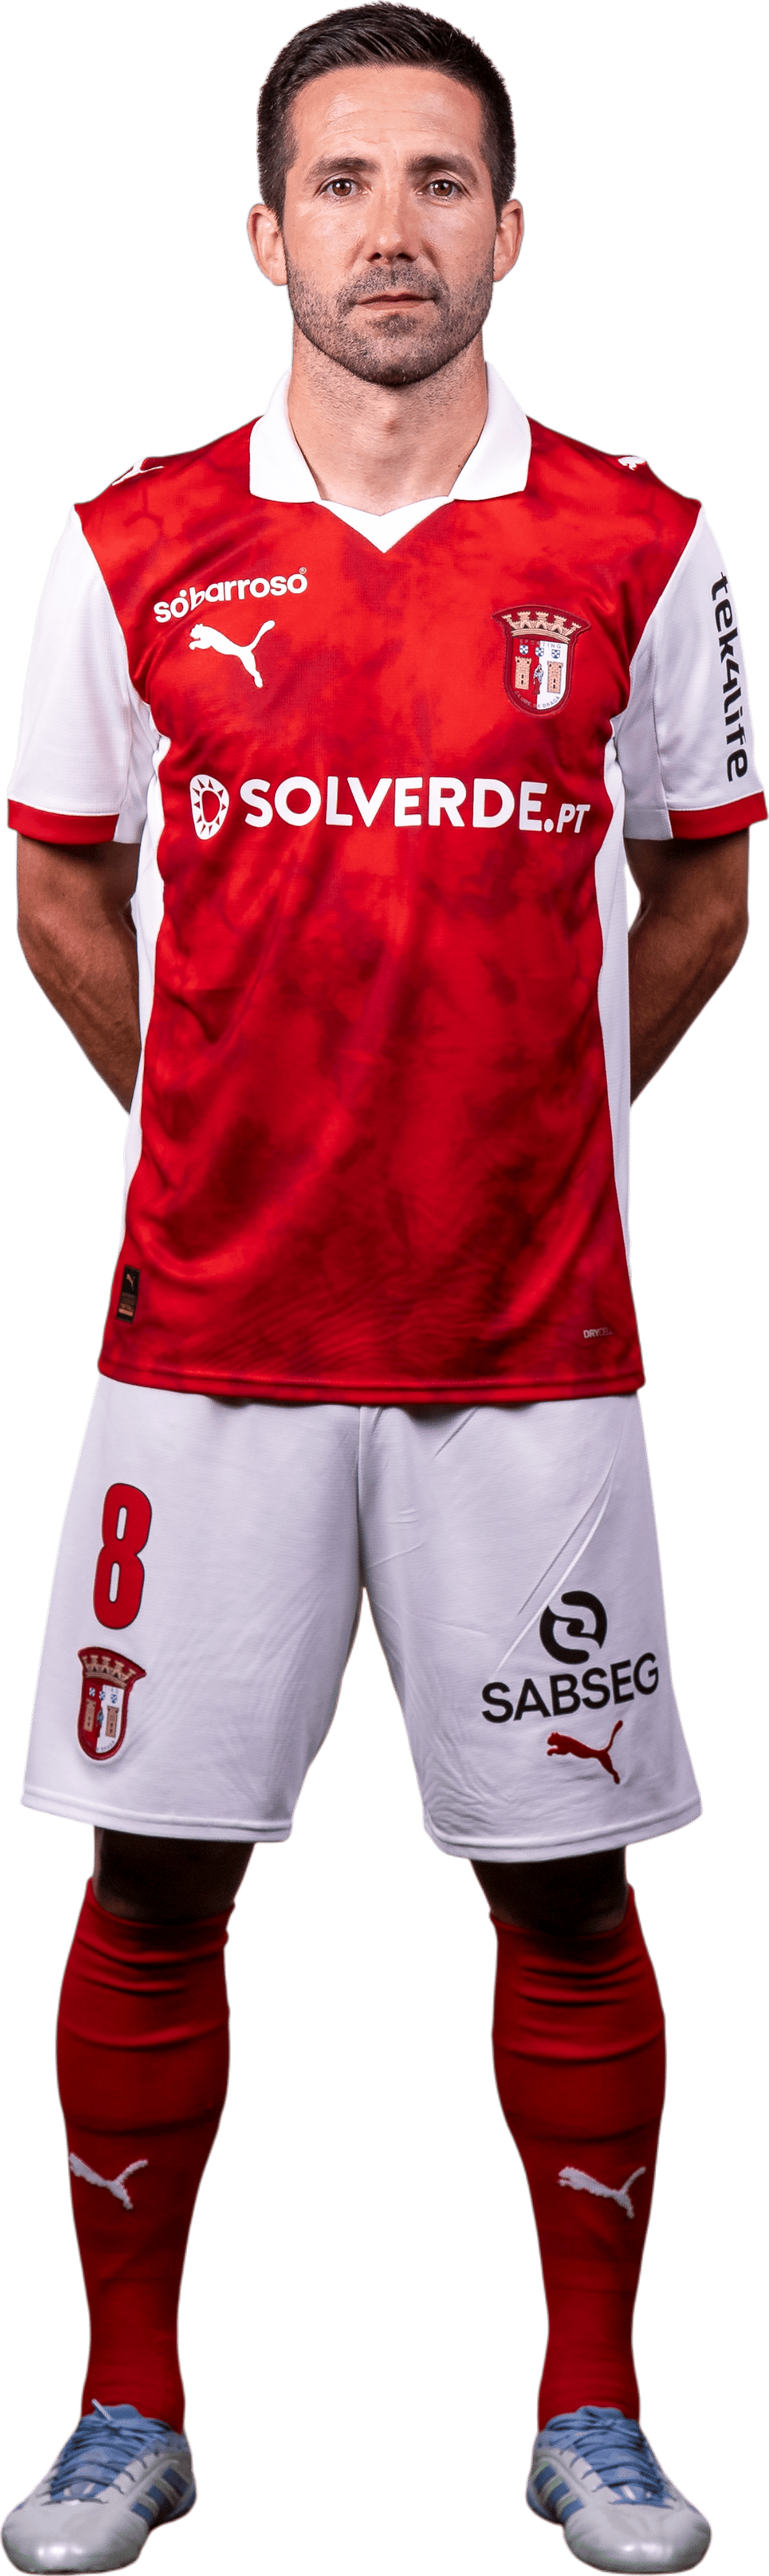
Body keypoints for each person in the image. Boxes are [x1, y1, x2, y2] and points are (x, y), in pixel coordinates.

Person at [3, 8, 763, 2570]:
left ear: (510, 231)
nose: (395, 230)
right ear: (268, 236)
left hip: (528, 1349)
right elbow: (60, 885)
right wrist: (219, 1128)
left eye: (444, 182)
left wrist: (536, 1123)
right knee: (151, 1876)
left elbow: (707, 886)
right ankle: (127, 2404)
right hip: (201, 1345)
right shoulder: (130, 546)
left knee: (567, 1881)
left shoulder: (642, 544)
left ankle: (593, 2406)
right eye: (343, 184)